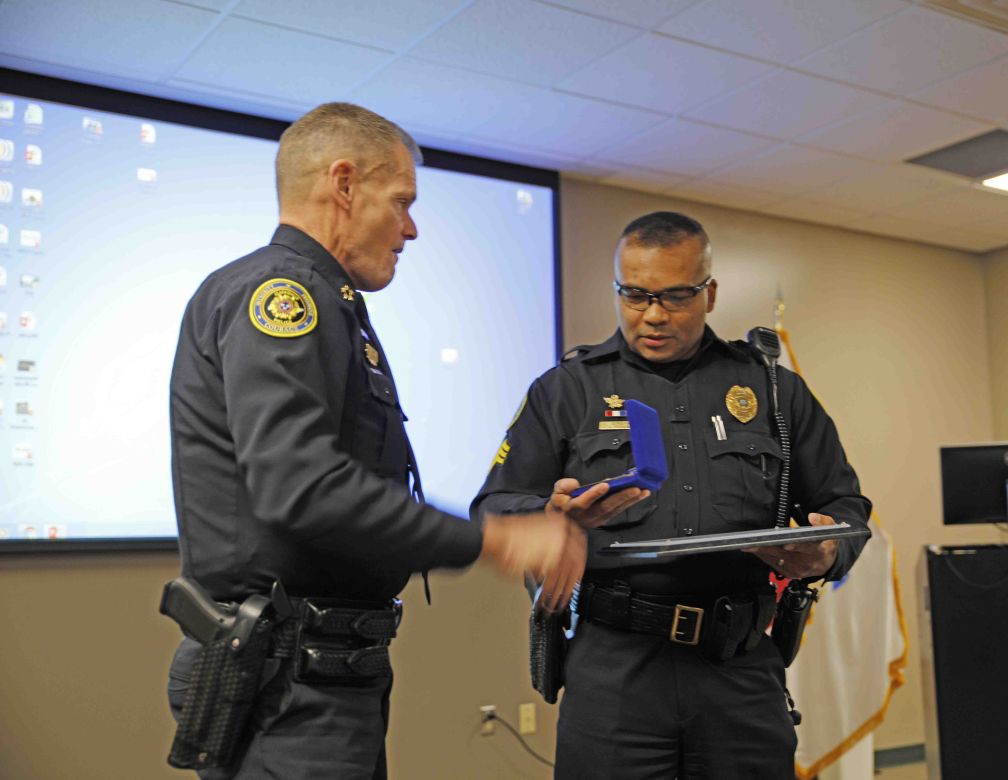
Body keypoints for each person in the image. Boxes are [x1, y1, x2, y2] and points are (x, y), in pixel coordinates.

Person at [166, 102, 582, 779]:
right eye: (402, 202)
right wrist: (494, 539)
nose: (411, 228)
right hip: (288, 684)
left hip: (319, 674)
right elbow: (302, 487)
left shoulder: (329, 301)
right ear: (344, 184)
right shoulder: (285, 293)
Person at [473, 211, 872, 779]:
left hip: (738, 665)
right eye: (634, 295)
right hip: (615, 669)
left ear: (710, 293)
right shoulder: (567, 390)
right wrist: (549, 517)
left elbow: (847, 507)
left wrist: (827, 553)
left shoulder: (772, 389)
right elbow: (493, 506)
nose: (653, 315)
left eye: (676, 296)